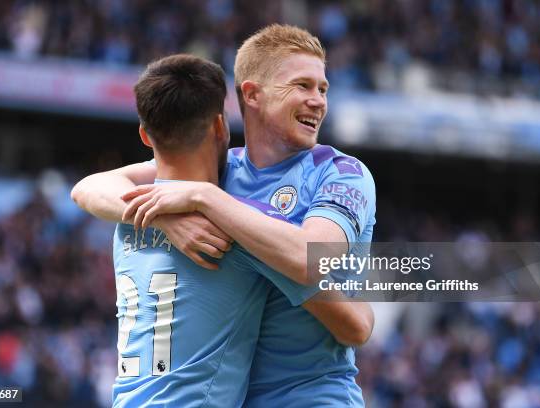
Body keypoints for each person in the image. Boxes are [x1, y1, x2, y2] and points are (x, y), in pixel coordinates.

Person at [72, 25, 375, 406]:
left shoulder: (340, 173)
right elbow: (88, 187)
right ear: (252, 95)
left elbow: (311, 258)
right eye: (302, 86)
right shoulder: (218, 172)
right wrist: (165, 217)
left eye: (323, 89)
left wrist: (203, 199)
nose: (318, 100)